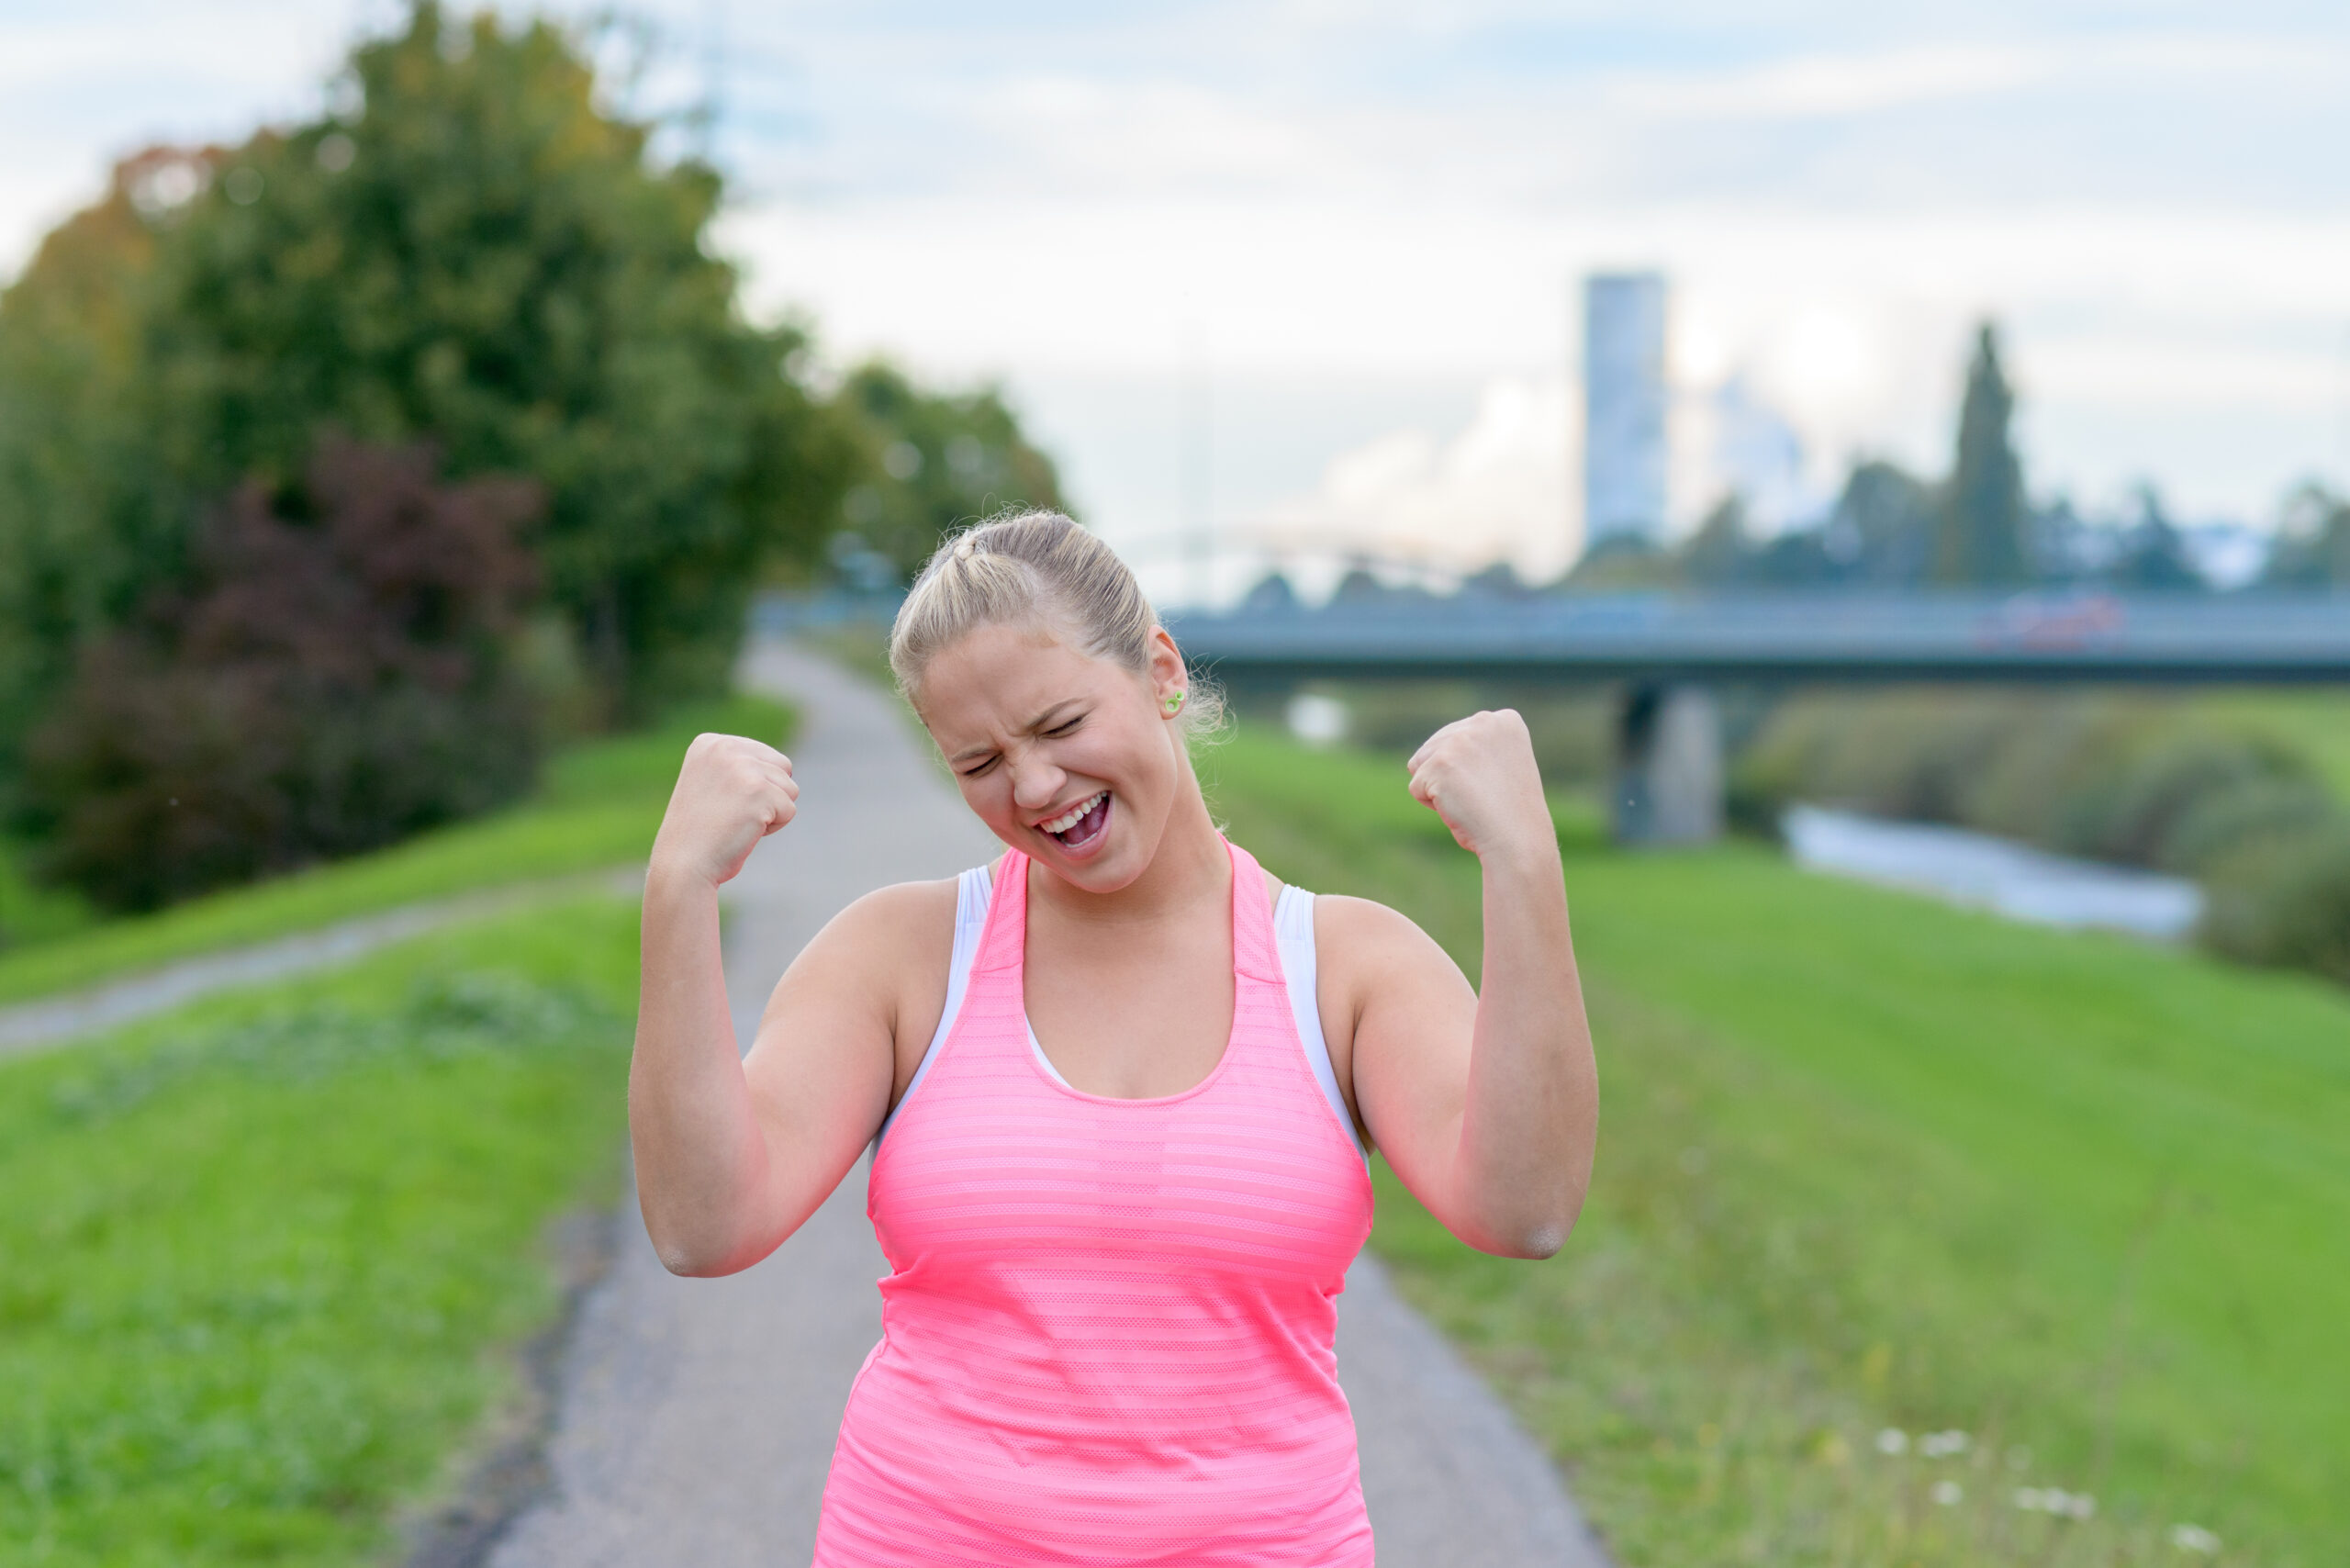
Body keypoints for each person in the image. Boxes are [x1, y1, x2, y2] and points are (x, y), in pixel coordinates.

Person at [631, 511, 1597, 1566]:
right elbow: (703, 1226)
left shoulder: (1347, 967)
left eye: (1057, 724)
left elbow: (1525, 1208)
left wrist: (1524, 866)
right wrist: (677, 891)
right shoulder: (898, 956)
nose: (1033, 786)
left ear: (1160, 670)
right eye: (979, 760)